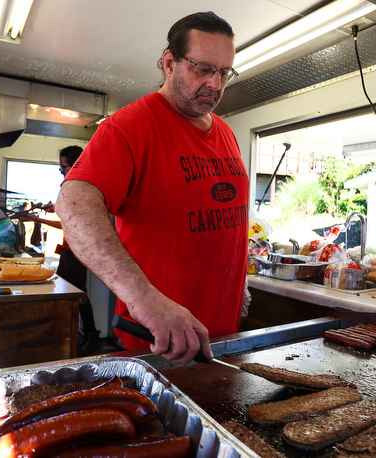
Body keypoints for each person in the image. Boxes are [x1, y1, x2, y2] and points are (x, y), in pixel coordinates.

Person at [56, 11, 249, 364]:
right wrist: (143, 298)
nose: (215, 84)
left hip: (223, 339)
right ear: (169, 62)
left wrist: (240, 284)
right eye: (203, 68)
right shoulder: (129, 127)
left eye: (224, 72)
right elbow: (73, 205)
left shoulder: (225, 133)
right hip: (160, 344)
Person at [21, 145, 101, 356]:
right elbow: (69, 210)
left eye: (62, 167)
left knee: (79, 294)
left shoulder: (83, 185)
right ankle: (69, 333)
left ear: (74, 165)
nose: (61, 171)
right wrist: (53, 207)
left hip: (77, 251)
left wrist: (37, 219)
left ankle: (91, 336)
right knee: (66, 293)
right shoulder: (72, 184)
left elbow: (69, 223)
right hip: (67, 250)